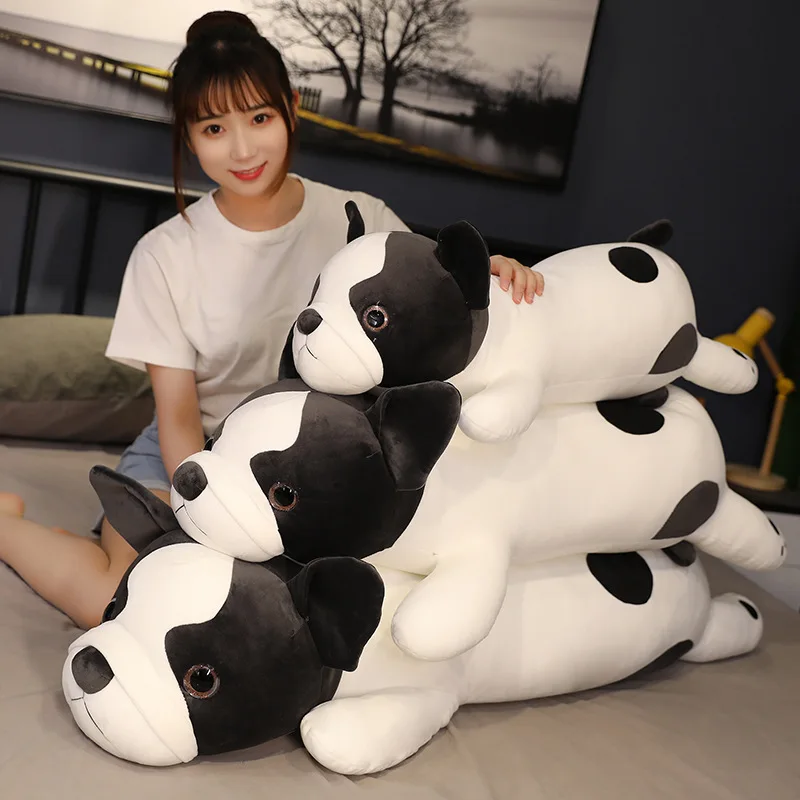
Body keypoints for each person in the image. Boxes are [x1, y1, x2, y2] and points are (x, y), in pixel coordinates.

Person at [0, 10, 545, 630]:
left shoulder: (359, 218)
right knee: (122, 607)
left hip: (312, 466)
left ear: (290, 109)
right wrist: (214, 510)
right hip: (197, 452)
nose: (242, 149)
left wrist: (489, 278)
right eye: (214, 127)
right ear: (189, 137)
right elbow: (177, 417)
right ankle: (6, 526)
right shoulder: (163, 254)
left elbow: (434, 297)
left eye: (259, 118)